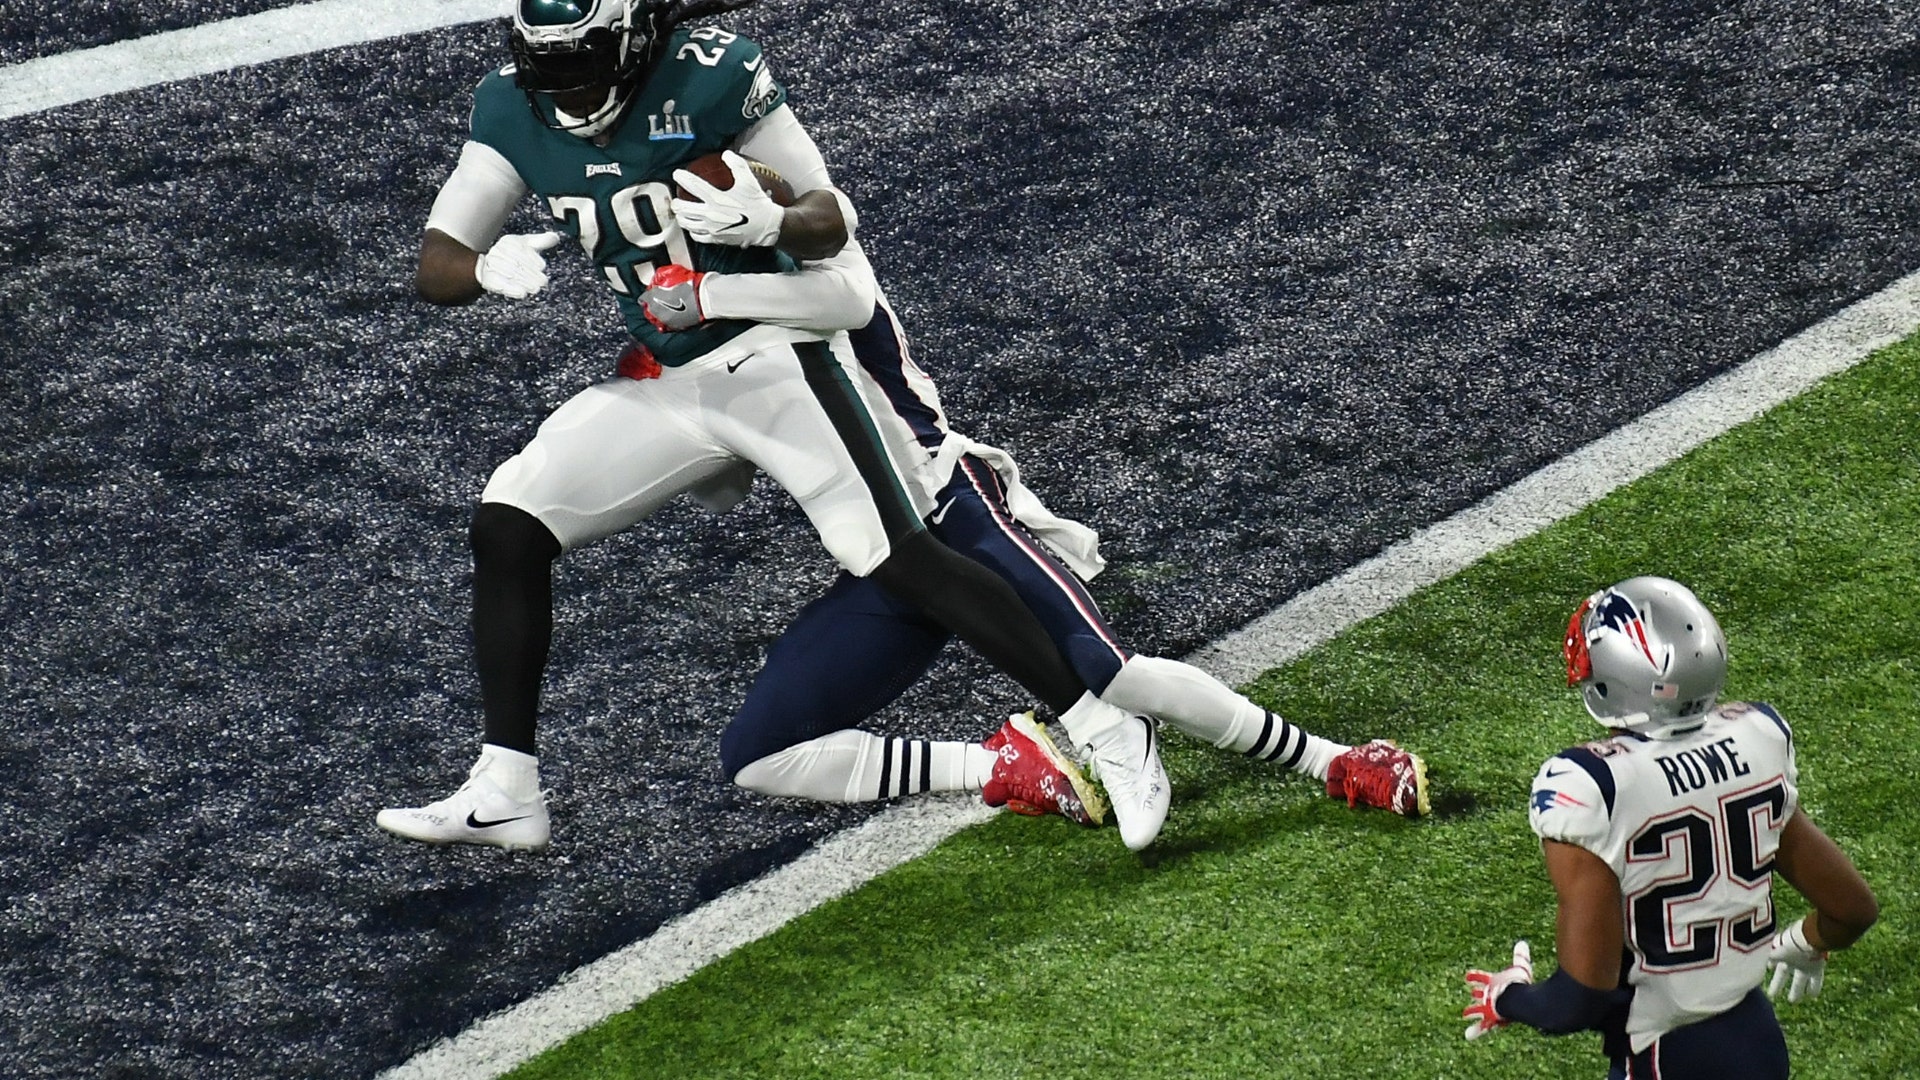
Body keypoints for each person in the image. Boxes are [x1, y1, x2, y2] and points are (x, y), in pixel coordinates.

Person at [375, 0, 1165, 853]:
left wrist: (772, 222)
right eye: (551, 72)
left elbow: (832, 218)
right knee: (508, 524)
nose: (570, 97)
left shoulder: (711, 75)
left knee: (895, 555)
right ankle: (507, 787)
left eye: (585, 68)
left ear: (633, 46)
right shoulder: (511, 104)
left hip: (775, 352)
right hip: (672, 376)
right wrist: (485, 266)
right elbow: (437, 262)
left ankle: (1104, 726)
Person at [650, 279, 1432, 827]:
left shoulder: (811, 281)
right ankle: (1001, 766)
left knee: (1113, 675)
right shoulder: (713, 326)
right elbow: (721, 489)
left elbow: (827, 286)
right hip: (886, 560)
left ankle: (1335, 760)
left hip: (949, 510)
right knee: (759, 752)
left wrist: (699, 327)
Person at [1461, 577, 1878, 1078]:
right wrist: (1808, 941)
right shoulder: (1758, 738)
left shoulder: (1591, 784)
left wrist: (1508, 996)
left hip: (1668, 1057)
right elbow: (1852, 908)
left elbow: (1579, 999)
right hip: (1757, 1041)